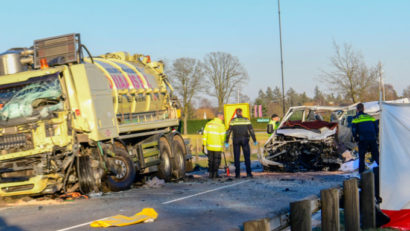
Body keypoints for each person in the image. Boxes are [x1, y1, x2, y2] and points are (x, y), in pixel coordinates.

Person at [226, 108, 257, 178]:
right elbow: (251, 130)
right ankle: (249, 173)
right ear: (241, 112)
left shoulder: (233, 121)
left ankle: (237, 174)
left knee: (236, 158)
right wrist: (254, 140)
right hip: (245, 140)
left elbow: (228, 131)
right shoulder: (246, 120)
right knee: (247, 157)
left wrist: (226, 141)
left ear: (236, 113)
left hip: (236, 140)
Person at [351, 103, 379, 173]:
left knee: (362, 157)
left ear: (357, 110)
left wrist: (356, 138)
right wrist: (376, 136)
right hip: (372, 138)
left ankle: (361, 173)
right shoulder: (370, 117)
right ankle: (383, 171)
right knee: (376, 156)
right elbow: (376, 128)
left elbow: (353, 130)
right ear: (364, 109)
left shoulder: (355, 118)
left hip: (363, 139)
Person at [202, 112, 226, 179]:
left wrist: (204, 144)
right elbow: (223, 137)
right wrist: (223, 144)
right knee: (216, 160)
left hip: (209, 146)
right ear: (220, 117)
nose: (223, 118)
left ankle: (210, 174)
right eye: (223, 117)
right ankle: (215, 174)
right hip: (217, 147)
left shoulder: (208, 124)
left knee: (210, 160)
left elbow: (205, 135)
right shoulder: (221, 125)